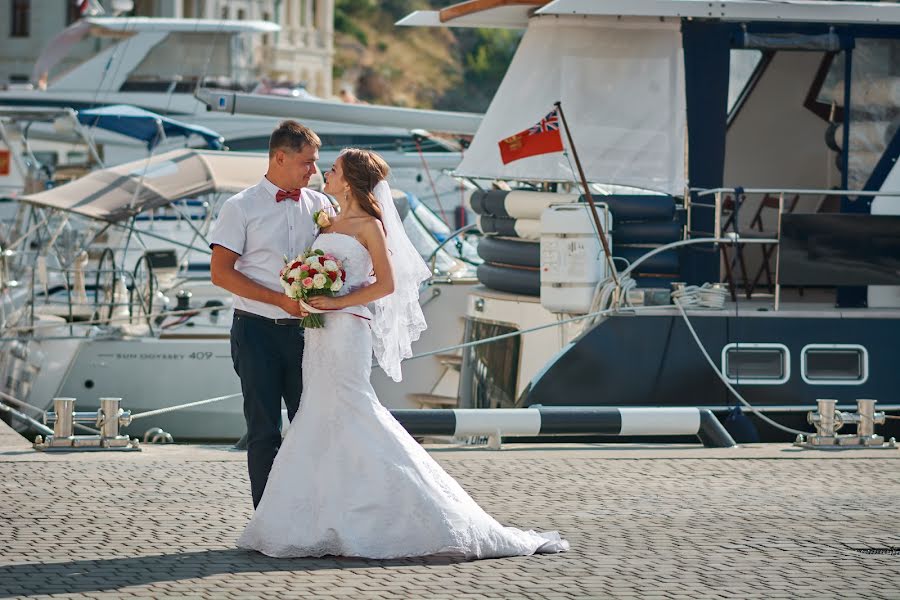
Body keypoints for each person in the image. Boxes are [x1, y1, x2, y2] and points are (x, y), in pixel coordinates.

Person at [236, 148, 569, 559]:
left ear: (351, 179)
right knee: (316, 417)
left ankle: (413, 509)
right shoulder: (327, 218)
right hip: (318, 335)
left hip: (347, 332)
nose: (326, 173)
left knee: (352, 410)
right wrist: (306, 290)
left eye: (333, 169)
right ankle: (319, 520)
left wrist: (338, 302)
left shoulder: (370, 226)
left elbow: (385, 285)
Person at [209, 120, 334, 509]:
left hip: (309, 334)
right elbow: (221, 273)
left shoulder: (322, 207)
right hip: (256, 332)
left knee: (311, 427)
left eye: (315, 164)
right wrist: (278, 300)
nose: (314, 171)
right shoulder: (240, 207)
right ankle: (268, 520)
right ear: (280, 157)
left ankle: (310, 514)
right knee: (264, 431)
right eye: (307, 163)